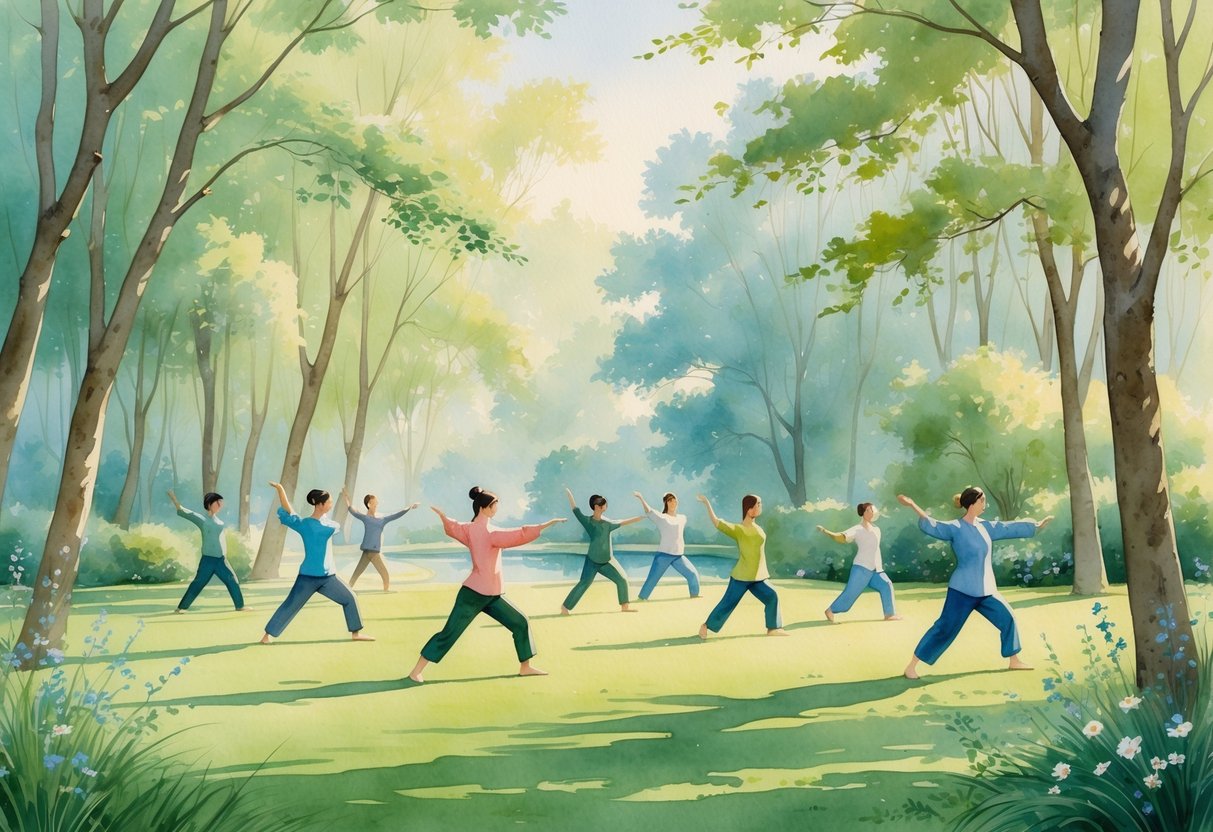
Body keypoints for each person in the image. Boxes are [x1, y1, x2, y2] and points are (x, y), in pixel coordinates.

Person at [409, 487, 565, 683]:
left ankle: (525, 667)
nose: (496, 508)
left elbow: (453, 527)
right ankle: (416, 671)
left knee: (519, 622)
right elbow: (520, 534)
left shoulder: (470, 529)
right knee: (449, 633)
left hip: (492, 595)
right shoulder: (489, 532)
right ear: (483, 508)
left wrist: (443, 517)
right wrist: (546, 525)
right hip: (473, 595)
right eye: (494, 505)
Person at [898, 488, 1052, 679]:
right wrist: (912, 504)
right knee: (944, 628)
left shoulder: (985, 526)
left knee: (1008, 618)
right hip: (962, 591)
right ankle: (912, 666)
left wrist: (1036, 526)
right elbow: (932, 525)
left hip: (986, 591)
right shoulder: (955, 528)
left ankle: (1014, 660)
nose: (984, 504)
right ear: (972, 503)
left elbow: (1008, 528)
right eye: (982, 500)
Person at [260, 482, 373, 644]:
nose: (331, 504)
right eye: (329, 502)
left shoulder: (327, 524)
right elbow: (288, 511)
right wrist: (280, 489)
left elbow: (297, 515)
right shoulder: (307, 524)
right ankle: (267, 636)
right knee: (290, 605)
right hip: (307, 578)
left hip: (328, 578)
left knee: (350, 598)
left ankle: (356, 633)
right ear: (319, 504)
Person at [697, 494, 785, 638]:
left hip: (758, 577)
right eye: (758, 504)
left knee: (772, 596)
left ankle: (773, 628)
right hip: (741, 577)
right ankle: (706, 626)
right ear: (749, 509)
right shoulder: (739, 530)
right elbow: (717, 522)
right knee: (728, 603)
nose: (760, 506)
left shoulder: (758, 528)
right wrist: (707, 503)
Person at [560, 488, 644, 615]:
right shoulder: (588, 521)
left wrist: (639, 518)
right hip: (592, 561)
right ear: (597, 507)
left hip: (606, 561)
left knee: (622, 580)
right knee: (584, 583)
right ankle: (565, 608)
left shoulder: (607, 523)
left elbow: (623, 522)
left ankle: (625, 606)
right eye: (604, 504)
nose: (606, 506)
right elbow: (575, 510)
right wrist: (569, 494)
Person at [818, 502, 899, 623]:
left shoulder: (877, 529)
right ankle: (830, 610)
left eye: (873, 509)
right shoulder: (857, 529)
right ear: (864, 513)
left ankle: (889, 614)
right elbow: (841, 537)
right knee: (850, 595)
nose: (873, 512)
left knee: (886, 584)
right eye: (870, 510)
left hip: (876, 569)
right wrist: (825, 531)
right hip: (861, 568)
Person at [168, 489, 247, 613]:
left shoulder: (219, 521)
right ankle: (181, 608)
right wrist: (174, 499)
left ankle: (240, 606)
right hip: (208, 560)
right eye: (217, 502)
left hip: (221, 560)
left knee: (232, 580)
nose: (220, 505)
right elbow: (185, 512)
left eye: (220, 503)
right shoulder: (202, 519)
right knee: (198, 583)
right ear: (209, 504)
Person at [341, 488, 418, 591]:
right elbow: (352, 510)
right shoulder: (366, 518)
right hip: (371, 551)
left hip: (370, 551)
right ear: (369, 504)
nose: (377, 504)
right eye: (375, 502)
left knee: (357, 573)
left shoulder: (382, 520)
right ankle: (385, 591)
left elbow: (396, 515)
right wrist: (346, 497)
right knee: (384, 574)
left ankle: (348, 589)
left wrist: (409, 507)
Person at [633, 491, 700, 599]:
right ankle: (642, 598)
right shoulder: (661, 517)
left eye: (674, 501)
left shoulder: (682, 518)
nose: (673, 503)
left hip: (678, 556)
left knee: (693, 574)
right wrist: (641, 498)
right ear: (666, 503)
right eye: (670, 501)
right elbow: (649, 511)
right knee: (652, 579)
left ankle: (694, 596)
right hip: (663, 556)